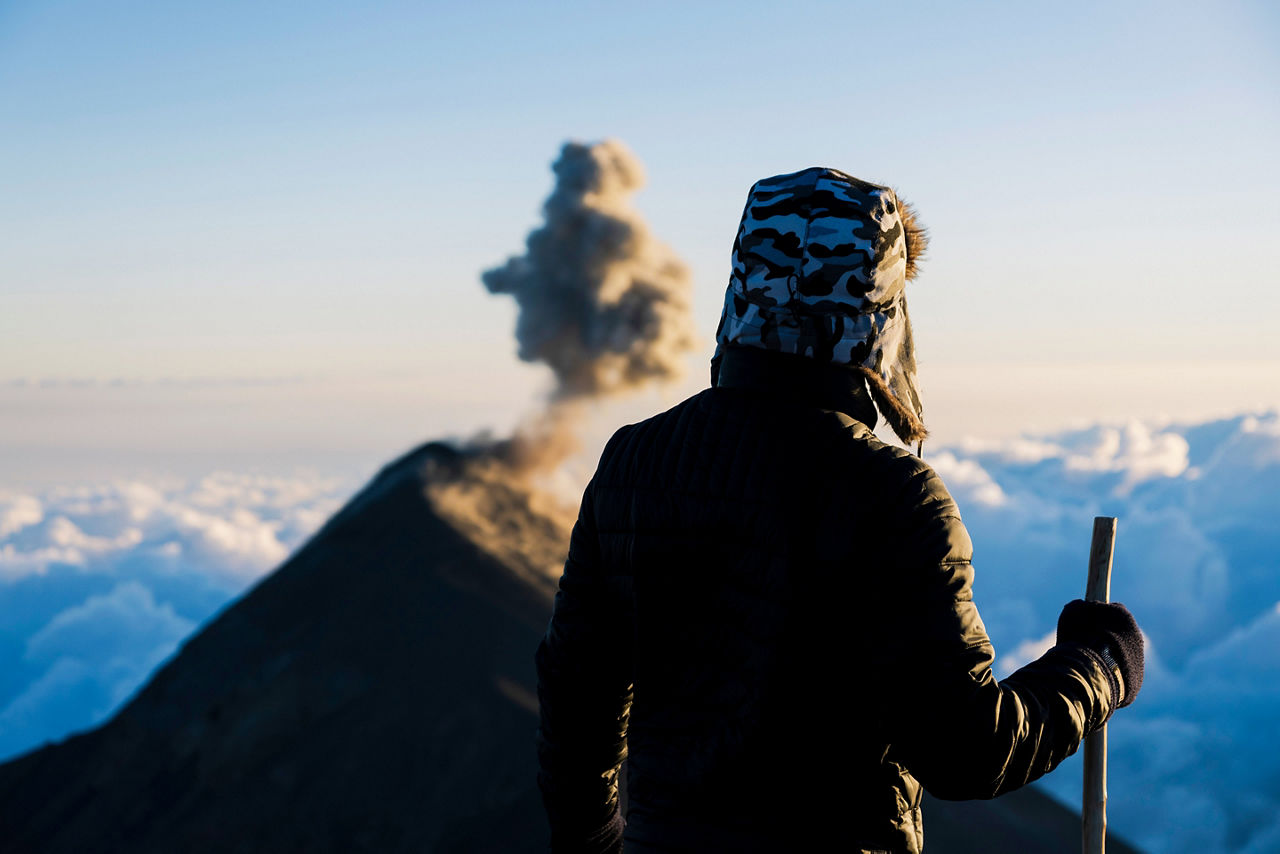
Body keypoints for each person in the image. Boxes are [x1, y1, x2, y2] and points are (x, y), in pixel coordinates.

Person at [534, 167, 1145, 854]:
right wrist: (1101, 663)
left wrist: (593, 843)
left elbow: (576, 693)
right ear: (879, 310)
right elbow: (967, 750)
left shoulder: (633, 463)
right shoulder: (894, 496)